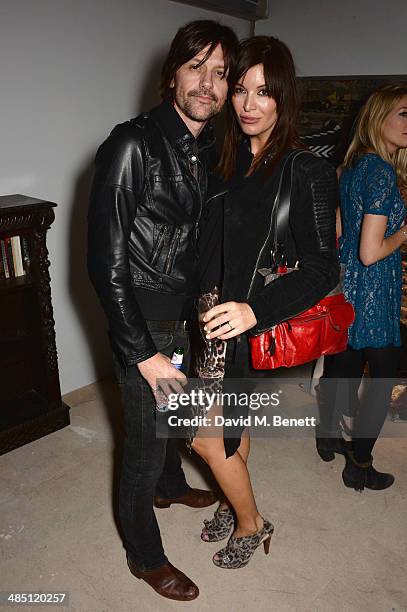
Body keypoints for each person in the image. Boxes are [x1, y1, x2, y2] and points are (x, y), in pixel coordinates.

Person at [87, 20, 238, 602]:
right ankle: (143, 555)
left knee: (173, 421)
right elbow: (105, 262)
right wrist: (142, 352)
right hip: (143, 320)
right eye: (196, 66)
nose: (208, 82)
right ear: (171, 74)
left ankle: (169, 487)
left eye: (220, 72)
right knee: (144, 447)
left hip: (183, 315)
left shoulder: (206, 147)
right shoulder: (134, 144)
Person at [191, 36, 339, 569]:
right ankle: (236, 506)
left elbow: (326, 267)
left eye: (264, 92)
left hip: (245, 321)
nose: (249, 104)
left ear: (284, 98)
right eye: (240, 90)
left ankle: (253, 523)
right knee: (232, 426)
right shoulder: (221, 158)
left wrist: (255, 311)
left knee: (205, 438)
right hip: (203, 317)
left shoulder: (306, 170)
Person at [315, 84, 407, 491]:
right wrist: (404, 233)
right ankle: (361, 462)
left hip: (347, 283)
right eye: (404, 114)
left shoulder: (351, 167)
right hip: (373, 287)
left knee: (346, 363)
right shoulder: (383, 174)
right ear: (379, 117)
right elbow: (372, 252)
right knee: (385, 375)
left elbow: (338, 230)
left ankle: (327, 435)